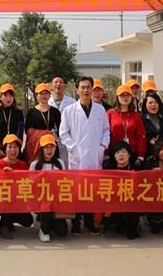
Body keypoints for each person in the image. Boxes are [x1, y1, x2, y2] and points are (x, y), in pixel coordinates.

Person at [60, 76, 110, 235]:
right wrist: (73, 148)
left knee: (91, 191)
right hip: (77, 158)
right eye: (82, 87)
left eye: (89, 87)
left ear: (92, 89)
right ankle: (76, 222)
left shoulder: (100, 110)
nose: (86, 90)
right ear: (77, 90)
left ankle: (89, 222)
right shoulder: (69, 111)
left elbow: (106, 130)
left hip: (95, 156)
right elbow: (63, 133)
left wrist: (102, 146)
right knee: (77, 192)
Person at [0, 134, 34, 239]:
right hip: (2, 200)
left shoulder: (23, 165)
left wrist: (14, 176)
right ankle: (3, 226)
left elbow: (28, 183)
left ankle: (8, 220)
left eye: (15, 147)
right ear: (5, 149)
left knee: (28, 221)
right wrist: (4, 177)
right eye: (9, 147)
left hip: (18, 200)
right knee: (7, 199)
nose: (13, 150)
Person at [30, 134, 67, 242]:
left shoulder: (60, 163)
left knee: (62, 232)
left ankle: (50, 224)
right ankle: (44, 230)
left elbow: (64, 181)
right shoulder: (35, 165)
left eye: (52, 147)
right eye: (46, 147)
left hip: (57, 199)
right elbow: (30, 184)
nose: (49, 150)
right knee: (46, 204)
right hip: (41, 199)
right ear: (41, 149)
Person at [102, 141, 140, 239]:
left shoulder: (136, 169)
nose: (121, 155)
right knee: (115, 227)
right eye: (117, 153)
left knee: (131, 230)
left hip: (130, 203)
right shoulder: (109, 168)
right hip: (114, 203)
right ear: (114, 156)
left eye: (123, 152)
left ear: (129, 154)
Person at [107, 84, 146, 168]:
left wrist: (141, 155)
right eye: (122, 95)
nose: (125, 98)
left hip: (132, 154)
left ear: (131, 97)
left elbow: (140, 135)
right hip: (114, 154)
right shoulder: (110, 113)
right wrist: (105, 153)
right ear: (117, 97)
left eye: (128, 95)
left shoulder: (136, 115)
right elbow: (106, 134)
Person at [24, 83, 61, 164]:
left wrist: (55, 134)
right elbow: (28, 131)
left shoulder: (55, 112)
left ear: (50, 95)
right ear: (37, 95)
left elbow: (60, 129)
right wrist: (44, 133)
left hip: (51, 145)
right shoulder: (31, 112)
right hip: (36, 146)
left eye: (46, 93)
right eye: (41, 94)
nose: (44, 96)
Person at [0, 83, 24, 164]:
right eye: (5, 95)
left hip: (14, 151)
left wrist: (16, 148)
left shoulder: (18, 113)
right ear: (0, 97)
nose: (8, 98)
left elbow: (20, 131)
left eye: (11, 95)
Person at [49, 75, 76, 167]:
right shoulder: (47, 102)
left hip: (68, 139)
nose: (58, 84)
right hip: (51, 139)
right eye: (56, 82)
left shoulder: (72, 102)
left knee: (67, 165)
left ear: (64, 85)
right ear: (51, 86)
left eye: (61, 82)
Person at [140, 91, 163, 157]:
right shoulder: (140, 119)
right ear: (145, 104)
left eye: (156, 102)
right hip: (147, 153)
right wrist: (149, 140)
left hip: (162, 154)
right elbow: (139, 137)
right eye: (150, 103)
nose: (153, 105)